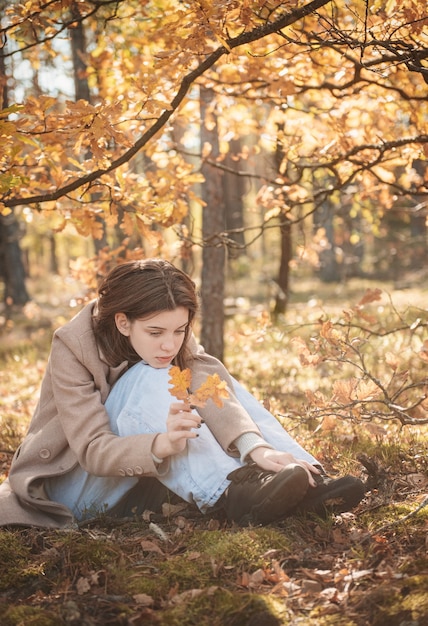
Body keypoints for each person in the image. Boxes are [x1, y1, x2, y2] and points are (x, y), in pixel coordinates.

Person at [0, 259, 365, 529]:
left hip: (139, 483)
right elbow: (93, 449)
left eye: (180, 331)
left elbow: (209, 384)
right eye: (156, 333)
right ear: (123, 322)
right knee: (151, 375)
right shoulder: (72, 345)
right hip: (73, 488)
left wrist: (254, 446)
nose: (170, 344)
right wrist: (161, 444)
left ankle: (306, 477)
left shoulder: (169, 323)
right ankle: (230, 492)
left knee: (214, 380)